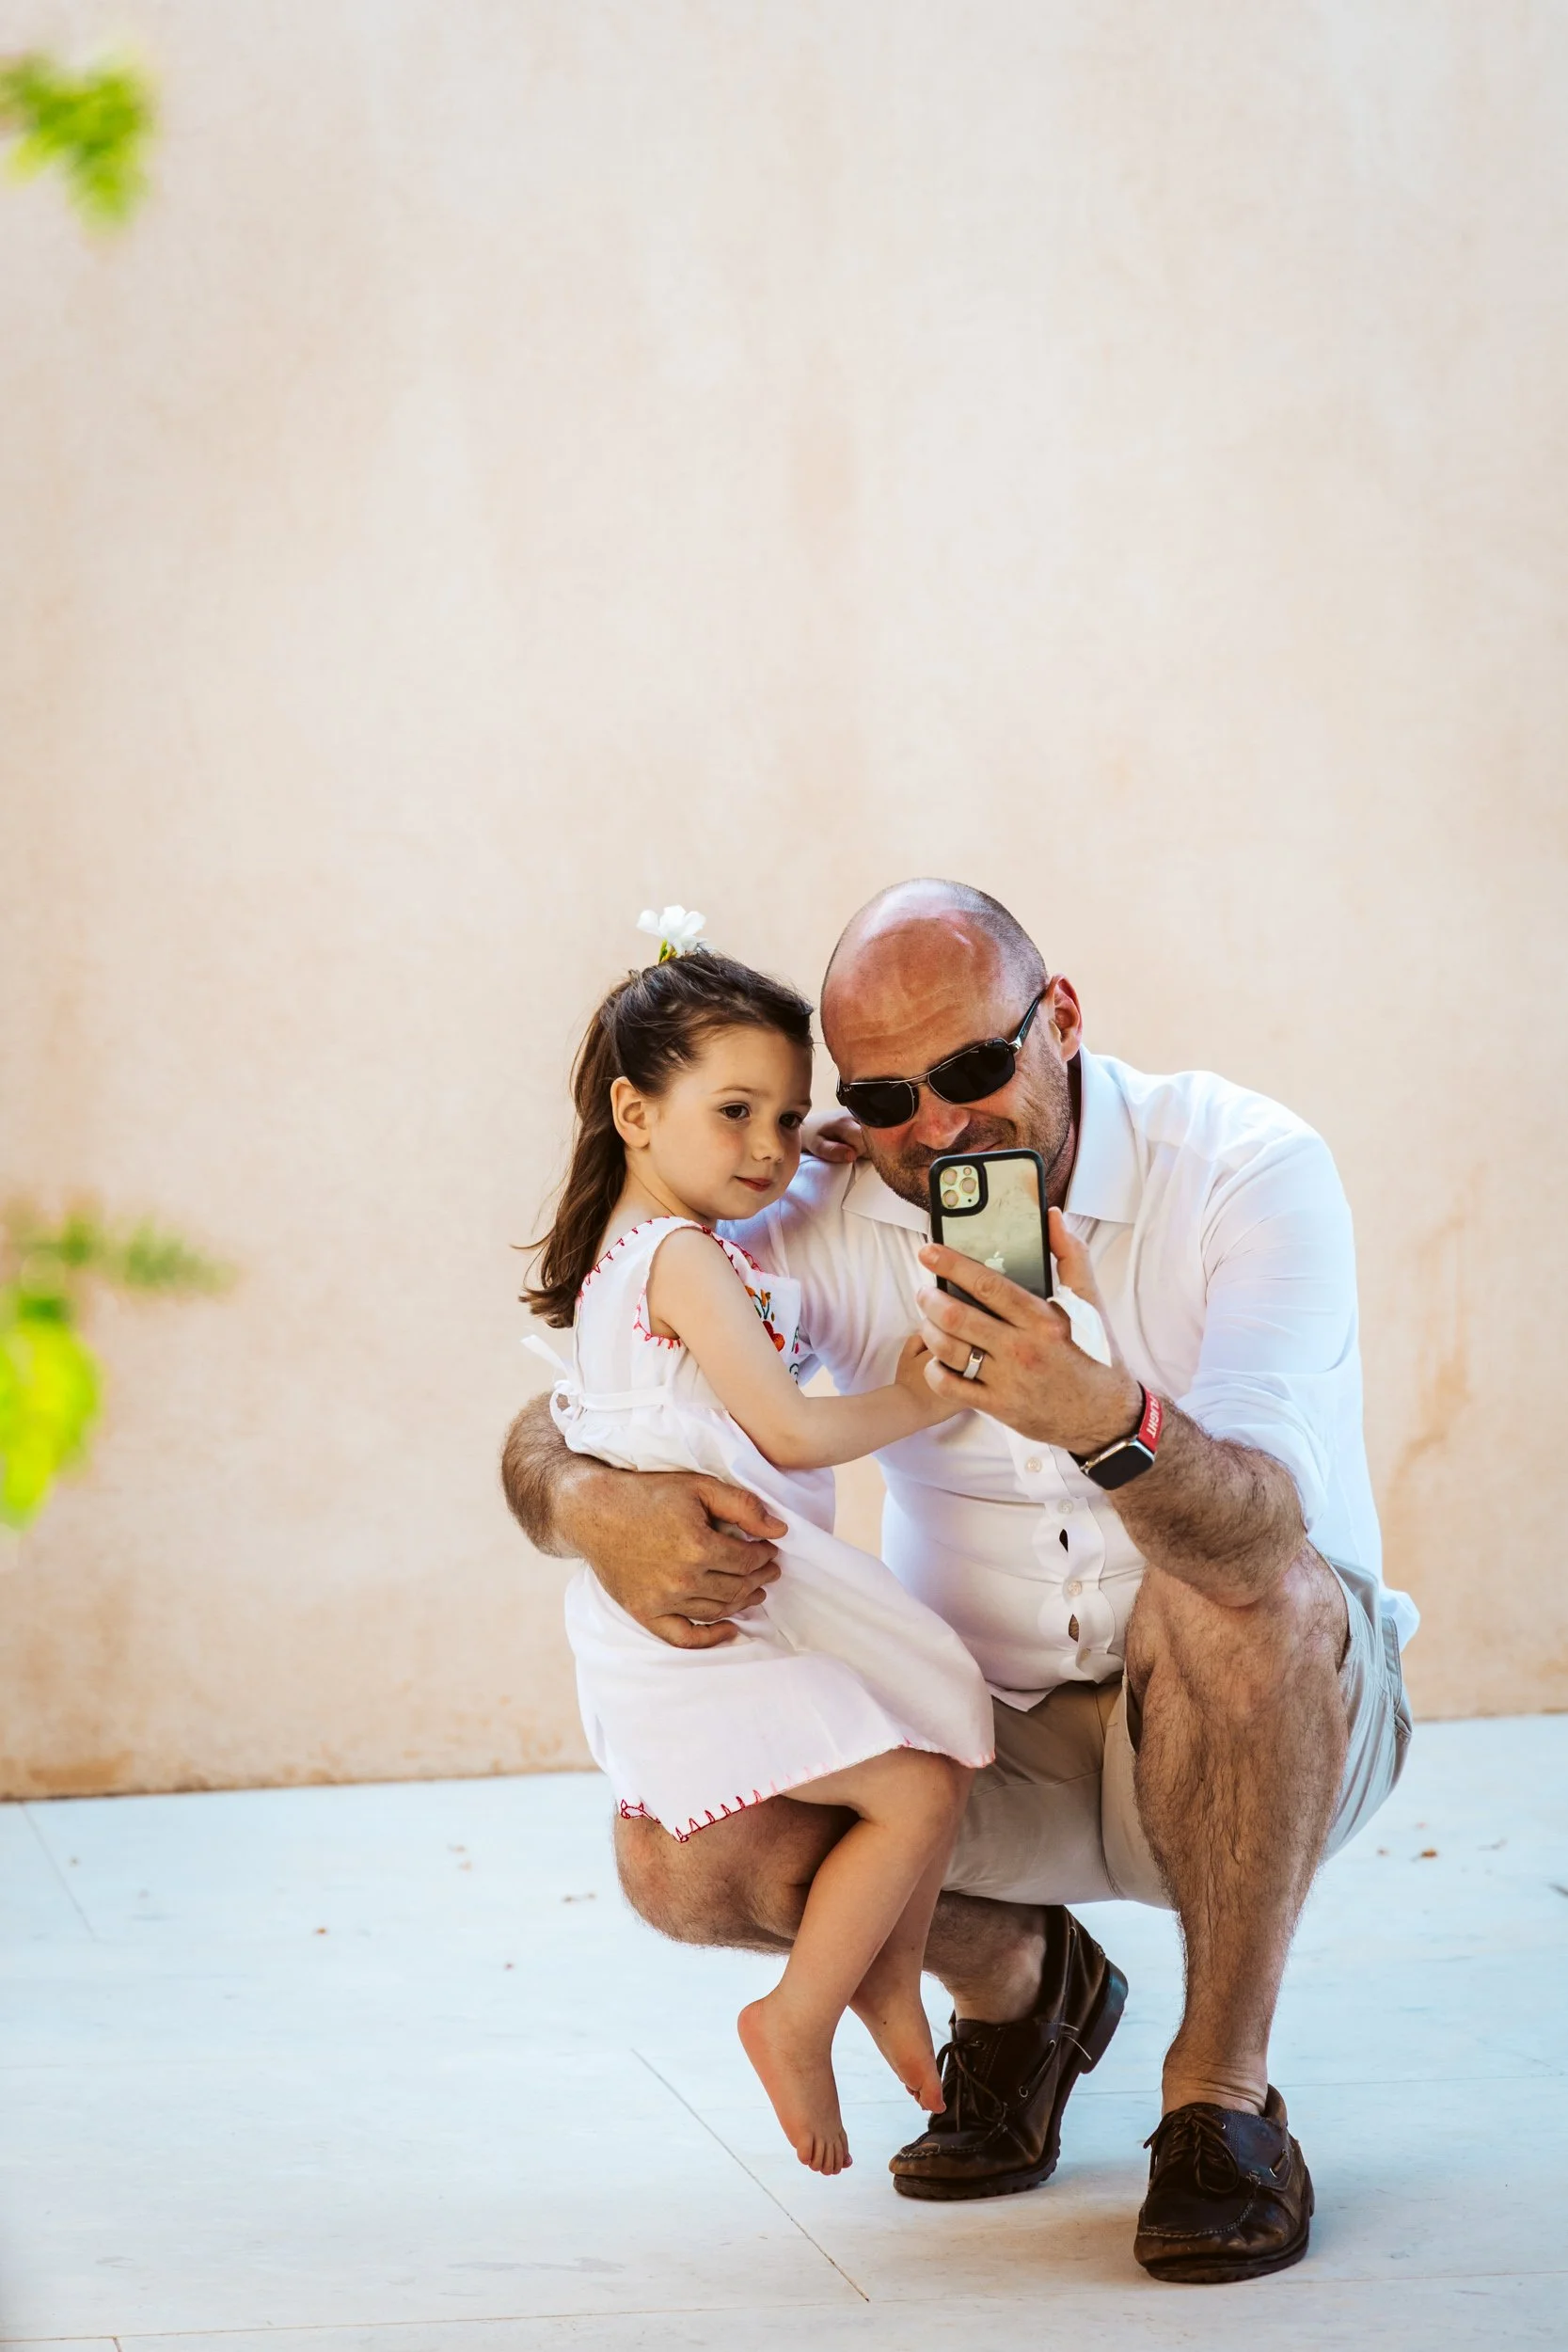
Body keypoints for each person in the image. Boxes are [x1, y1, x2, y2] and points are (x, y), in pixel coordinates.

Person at [502, 879, 1414, 2286]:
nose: (933, 1130)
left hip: (1268, 1714)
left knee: (1230, 1591)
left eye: (973, 1073)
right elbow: (605, 1384)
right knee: (682, 1850)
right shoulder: (803, 1196)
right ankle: (1026, 1992)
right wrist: (585, 1500)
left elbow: (1259, 1541)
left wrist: (1105, 1420)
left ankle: (1218, 2099)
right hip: (985, 1721)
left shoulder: (1239, 1163)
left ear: (1057, 1018)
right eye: (881, 1098)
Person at [522, 931, 996, 2175]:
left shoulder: (659, 1247)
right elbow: (787, 1424)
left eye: (789, 1117)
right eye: (733, 1112)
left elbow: (748, 1222)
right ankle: (795, 2017)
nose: (767, 1148)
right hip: (724, 1624)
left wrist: (819, 1166)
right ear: (634, 1110)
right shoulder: (677, 1259)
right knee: (916, 1781)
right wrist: (924, 1394)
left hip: (753, 1600)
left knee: (933, 1754)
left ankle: (879, 1984)